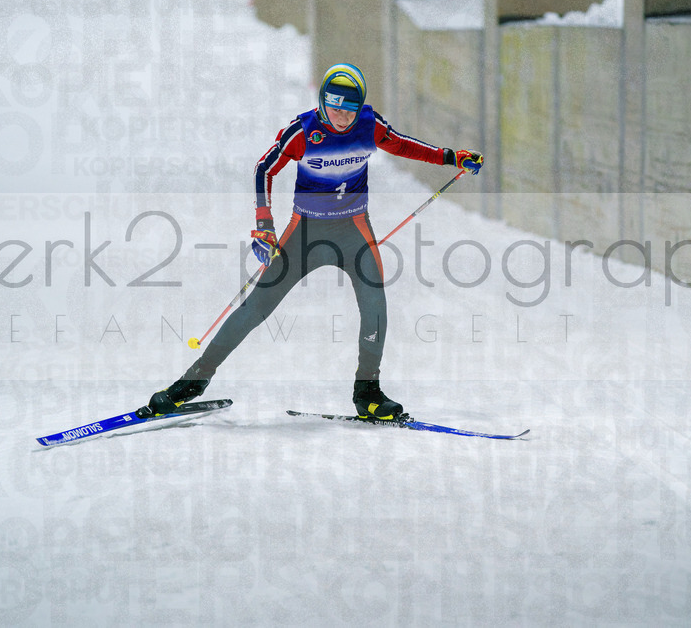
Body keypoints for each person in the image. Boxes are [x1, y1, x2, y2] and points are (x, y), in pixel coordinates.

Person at [145, 63, 483, 420]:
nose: (341, 115)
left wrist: (451, 157)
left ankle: (367, 392)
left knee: (375, 306)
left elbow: (402, 145)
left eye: (349, 109)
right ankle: (190, 384)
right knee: (255, 308)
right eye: (333, 105)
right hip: (304, 233)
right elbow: (264, 168)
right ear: (322, 101)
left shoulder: (370, 125)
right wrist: (264, 224)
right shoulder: (303, 131)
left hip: (354, 230)